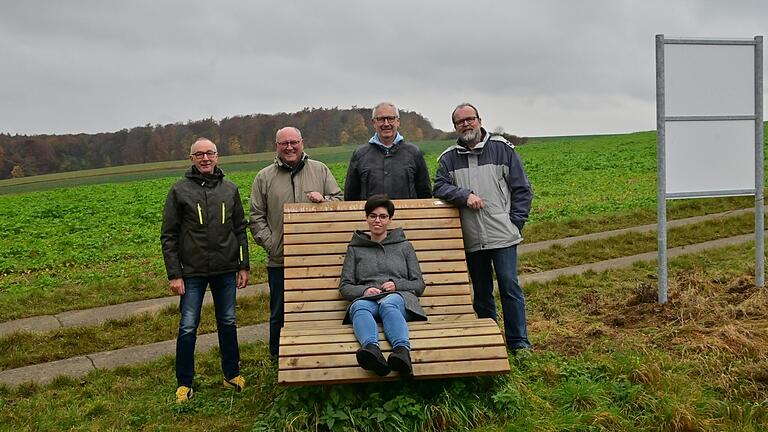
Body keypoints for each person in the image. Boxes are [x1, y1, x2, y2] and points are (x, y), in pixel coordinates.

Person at [433, 103, 534, 353]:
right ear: (455, 127)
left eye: (470, 119)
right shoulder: (448, 159)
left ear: (479, 120)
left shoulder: (502, 149)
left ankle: (518, 342)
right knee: (482, 292)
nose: (466, 124)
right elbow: (439, 188)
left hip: (503, 234)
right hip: (471, 237)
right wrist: (464, 195)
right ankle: (491, 342)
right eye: (460, 122)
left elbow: (522, 189)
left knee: (509, 286)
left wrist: (515, 221)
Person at [160, 138, 250, 403]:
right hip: (192, 272)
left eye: (209, 153)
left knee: (228, 322)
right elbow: (169, 235)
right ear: (191, 159)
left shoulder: (230, 189)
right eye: (199, 154)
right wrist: (174, 273)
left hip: (225, 270)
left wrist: (243, 265)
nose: (205, 158)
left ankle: (231, 374)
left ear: (217, 156)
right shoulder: (179, 191)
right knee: (188, 326)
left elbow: (239, 229)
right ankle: (184, 383)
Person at [250, 126, 343, 360]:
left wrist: (325, 200)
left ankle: (316, 353)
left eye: (294, 142)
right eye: (284, 143)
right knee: (280, 311)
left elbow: (340, 201)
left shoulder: (320, 170)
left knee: (318, 306)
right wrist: (273, 246)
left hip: (318, 257)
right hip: (280, 260)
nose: (289, 147)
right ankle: (277, 356)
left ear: (302, 143)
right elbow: (256, 217)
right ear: (277, 147)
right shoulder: (264, 177)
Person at [339, 194, 427, 377]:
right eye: (372, 216)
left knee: (389, 303)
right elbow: (345, 287)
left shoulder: (404, 246)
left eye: (383, 216)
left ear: (390, 219)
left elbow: (419, 284)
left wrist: (397, 285)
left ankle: (402, 352)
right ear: (366, 218)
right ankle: (373, 352)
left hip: (399, 298)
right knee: (359, 306)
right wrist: (364, 290)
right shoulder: (355, 249)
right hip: (369, 299)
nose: (377, 220)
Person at [344, 102, 432, 200]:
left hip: (406, 215)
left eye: (390, 118)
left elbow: (425, 194)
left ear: (398, 122)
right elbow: (350, 196)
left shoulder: (414, 153)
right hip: (372, 215)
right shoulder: (360, 155)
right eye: (380, 119)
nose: (386, 124)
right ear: (374, 123)